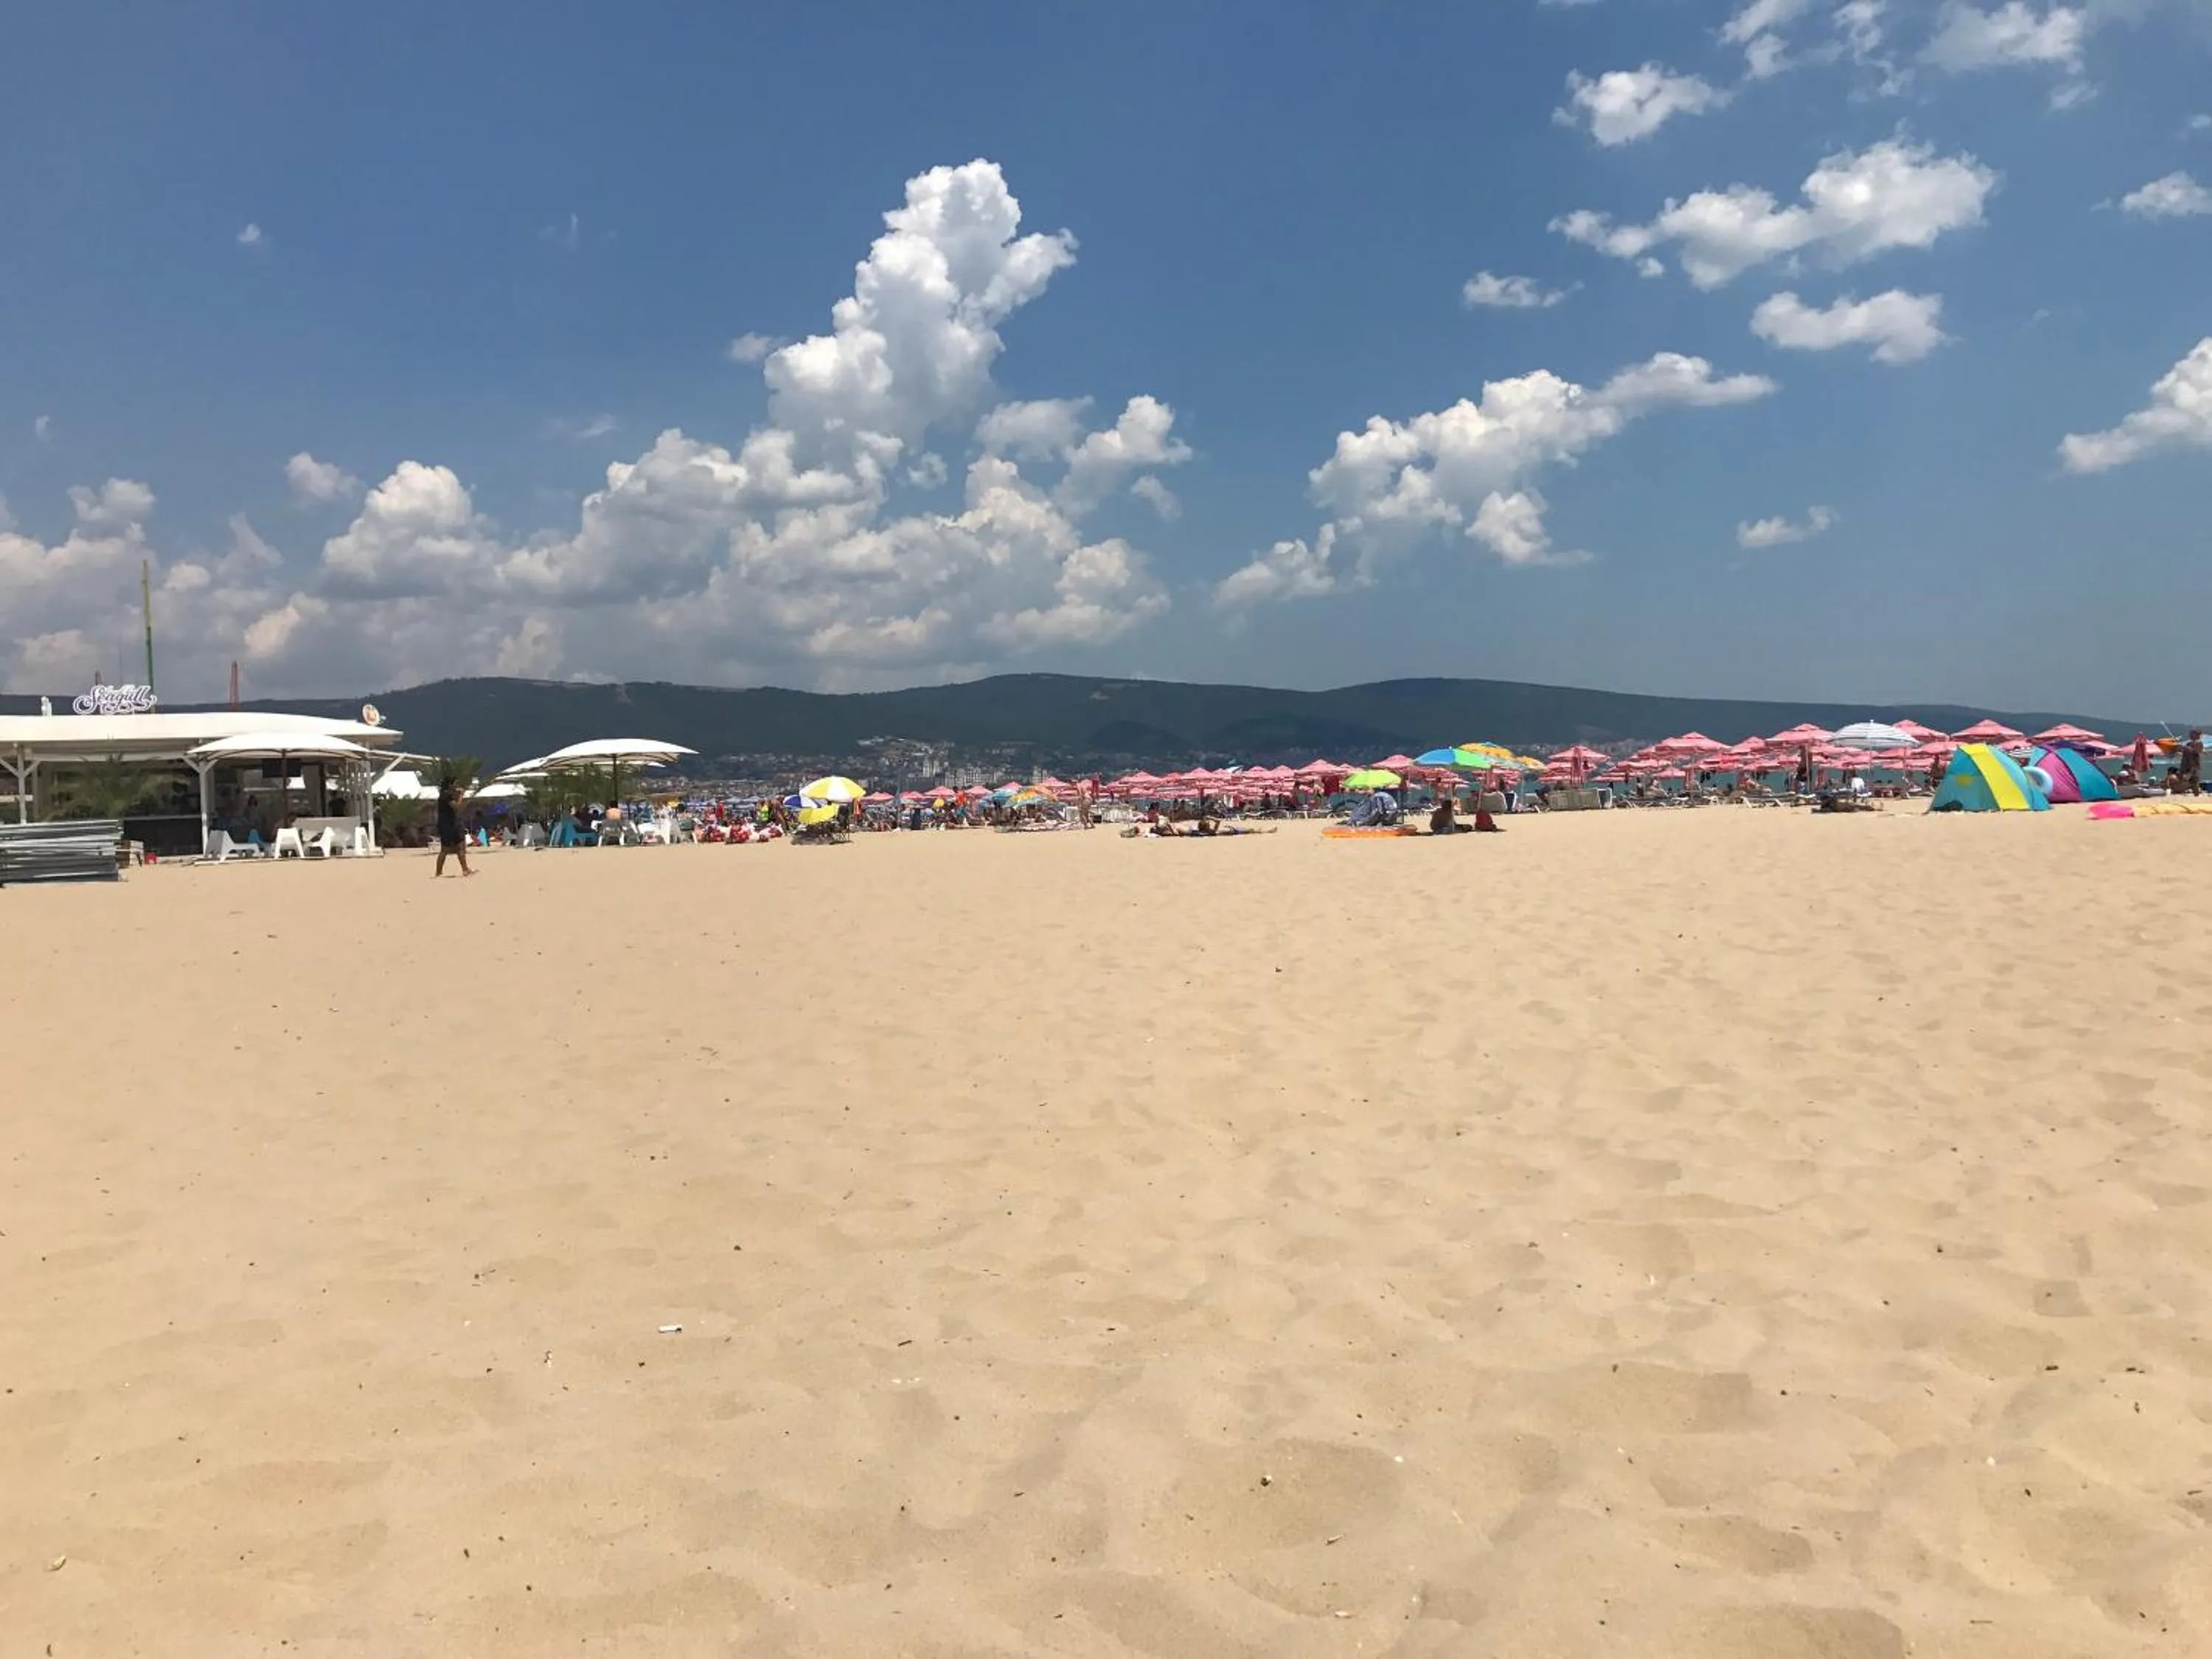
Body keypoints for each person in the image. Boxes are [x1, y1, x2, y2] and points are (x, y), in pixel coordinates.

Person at [434, 779, 474, 877]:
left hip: (445, 825)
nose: (456, 786)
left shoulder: (443, 795)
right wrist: (461, 796)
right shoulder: (447, 796)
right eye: (455, 784)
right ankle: (465, 869)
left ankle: (438, 872)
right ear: (450, 785)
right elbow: (456, 806)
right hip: (451, 825)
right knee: (460, 847)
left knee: (444, 850)